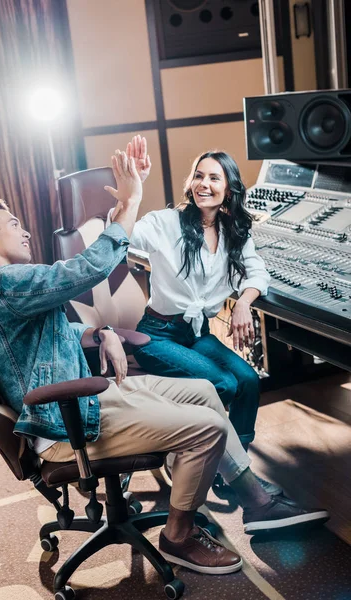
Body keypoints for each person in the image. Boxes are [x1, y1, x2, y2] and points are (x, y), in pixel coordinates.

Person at [0, 152, 328, 577]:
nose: (23, 233)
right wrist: (129, 203)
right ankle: (179, 535)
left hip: (83, 397)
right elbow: (89, 268)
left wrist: (102, 334)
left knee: (207, 391)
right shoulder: (4, 284)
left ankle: (255, 501)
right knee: (205, 424)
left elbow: (47, 335)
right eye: (14, 225)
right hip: (68, 420)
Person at [109, 136, 275, 493]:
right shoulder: (167, 222)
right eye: (199, 176)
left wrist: (244, 302)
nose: (204, 184)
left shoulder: (235, 231)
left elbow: (258, 272)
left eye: (214, 178)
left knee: (247, 380)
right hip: (156, 334)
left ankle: (233, 468)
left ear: (228, 188)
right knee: (224, 383)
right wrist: (131, 194)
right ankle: (209, 463)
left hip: (197, 337)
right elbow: (123, 237)